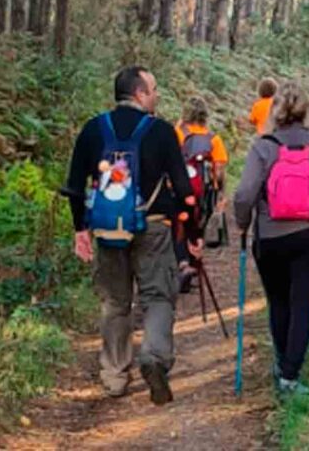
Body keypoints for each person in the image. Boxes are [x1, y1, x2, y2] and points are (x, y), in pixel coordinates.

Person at [62, 66, 196, 405]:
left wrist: (80, 229)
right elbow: (184, 188)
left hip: (108, 229)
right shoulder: (162, 131)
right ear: (139, 93)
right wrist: (193, 232)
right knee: (158, 296)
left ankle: (114, 375)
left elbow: (75, 186)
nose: (157, 95)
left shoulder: (93, 129)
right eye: (153, 89)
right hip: (153, 226)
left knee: (115, 301)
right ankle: (154, 356)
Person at [234, 82, 309, 396]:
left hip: (270, 237)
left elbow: (244, 195)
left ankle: (282, 362)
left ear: (275, 112)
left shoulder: (262, 147)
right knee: (303, 304)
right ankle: (290, 375)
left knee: (278, 301)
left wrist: (243, 225)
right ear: (307, 112)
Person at [174, 96, 229, 292]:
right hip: (203, 192)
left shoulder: (178, 133)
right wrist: (220, 191)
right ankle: (193, 266)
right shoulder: (213, 139)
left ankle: (182, 264)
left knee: (180, 226)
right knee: (198, 228)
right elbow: (219, 169)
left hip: (180, 189)